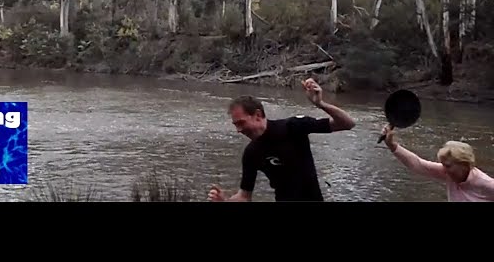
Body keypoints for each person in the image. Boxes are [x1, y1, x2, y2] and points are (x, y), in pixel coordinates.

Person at [207, 78, 356, 202]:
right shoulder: (252, 152)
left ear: (257, 115)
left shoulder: (293, 127)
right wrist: (225, 201)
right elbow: (245, 196)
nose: (238, 130)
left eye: (241, 123)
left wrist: (320, 104)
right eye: (235, 125)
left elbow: (348, 124)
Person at [380, 125, 494, 202]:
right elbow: (418, 164)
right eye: (443, 164)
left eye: (448, 165)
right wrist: (392, 145)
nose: (444, 169)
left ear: (464, 164)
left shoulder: (486, 184)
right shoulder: (447, 173)